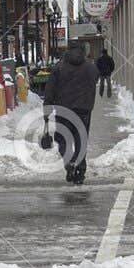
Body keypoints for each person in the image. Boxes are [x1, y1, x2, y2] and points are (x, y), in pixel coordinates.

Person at [42, 41, 99, 185]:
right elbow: (94, 82)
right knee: (81, 139)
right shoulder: (91, 68)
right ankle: (80, 170)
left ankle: (69, 162)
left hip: (63, 109)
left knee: (62, 139)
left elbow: (50, 90)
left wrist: (46, 110)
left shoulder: (59, 68)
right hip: (84, 109)